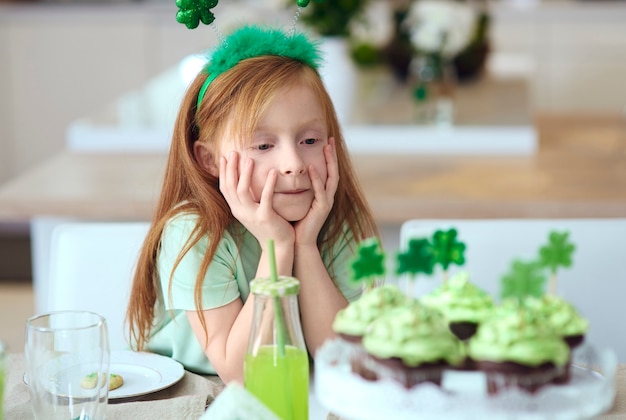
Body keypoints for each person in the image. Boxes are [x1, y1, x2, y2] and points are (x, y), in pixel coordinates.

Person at [126, 25, 378, 384]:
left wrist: (304, 245)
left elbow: (340, 359)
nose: (293, 162)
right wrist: (276, 247)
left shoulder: (333, 221)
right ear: (209, 160)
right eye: (263, 146)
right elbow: (239, 373)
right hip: (200, 392)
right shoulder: (192, 231)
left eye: (309, 139)